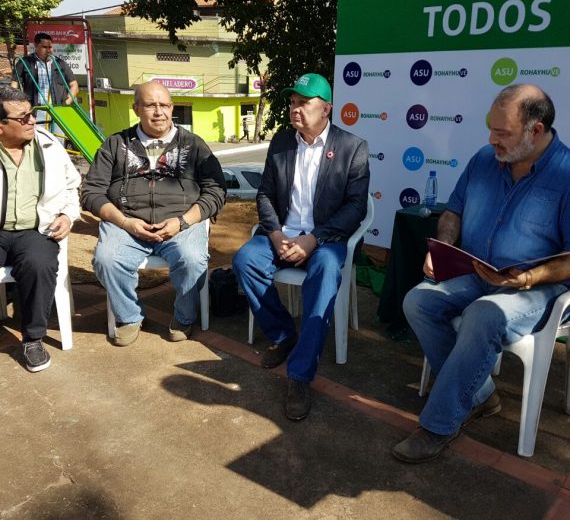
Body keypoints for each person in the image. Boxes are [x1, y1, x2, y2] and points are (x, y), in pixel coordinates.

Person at [393, 84, 570, 463]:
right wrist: (444, 246)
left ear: (536, 131)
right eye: (491, 129)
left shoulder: (566, 174)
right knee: (418, 301)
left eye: (502, 133)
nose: (492, 140)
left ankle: (439, 425)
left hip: (540, 287)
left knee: (483, 315)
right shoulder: (484, 159)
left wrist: (527, 278)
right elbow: (453, 211)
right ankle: (480, 394)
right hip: (477, 271)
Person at [233, 73, 370, 420]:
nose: (295, 109)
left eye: (304, 103)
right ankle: (283, 334)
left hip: (325, 239)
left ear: (326, 109)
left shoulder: (352, 147)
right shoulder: (282, 142)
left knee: (325, 273)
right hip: (283, 235)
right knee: (245, 260)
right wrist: (276, 235)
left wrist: (314, 238)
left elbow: (355, 207)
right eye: (292, 102)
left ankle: (300, 374)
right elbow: (265, 194)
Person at [81, 81, 226, 347]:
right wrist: (125, 222)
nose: (159, 112)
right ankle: (130, 316)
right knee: (106, 259)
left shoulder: (193, 144)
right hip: (127, 224)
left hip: (180, 223)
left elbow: (216, 190)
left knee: (192, 259)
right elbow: (91, 192)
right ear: (136, 109)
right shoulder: (115, 144)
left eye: (164, 105)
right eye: (150, 105)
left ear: (172, 108)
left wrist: (182, 222)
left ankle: (184, 317)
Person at [0, 86, 81, 372]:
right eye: (22, 117)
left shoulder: (49, 145)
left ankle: (33, 339)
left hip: (35, 230)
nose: (32, 120)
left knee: (39, 265)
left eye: (32, 114)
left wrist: (68, 216)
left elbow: (72, 186)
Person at [11, 32, 79, 136]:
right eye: (44, 47)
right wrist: (18, 105)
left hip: (58, 111)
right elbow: (14, 85)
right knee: (38, 140)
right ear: (36, 46)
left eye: (50, 47)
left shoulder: (60, 64)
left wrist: (66, 103)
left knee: (58, 141)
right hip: (36, 111)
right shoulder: (25, 62)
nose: (48, 50)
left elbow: (74, 86)